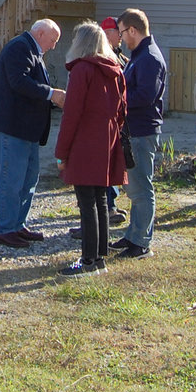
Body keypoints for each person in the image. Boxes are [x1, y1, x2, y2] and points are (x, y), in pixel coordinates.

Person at [0, 18, 66, 249]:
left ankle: (17, 224)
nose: (54, 45)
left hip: (24, 129)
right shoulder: (19, 47)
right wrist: (51, 94)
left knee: (28, 177)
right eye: (53, 39)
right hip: (12, 127)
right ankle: (5, 229)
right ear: (40, 34)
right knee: (12, 178)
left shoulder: (31, 49)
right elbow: (19, 82)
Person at [53, 21, 127, 275]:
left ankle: (88, 260)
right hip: (107, 139)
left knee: (87, 202)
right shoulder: (115, 69)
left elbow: (71, 114)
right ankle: (99, 257)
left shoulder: (82, 70)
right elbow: (122, 111)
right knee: (101, 200)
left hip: (85, 141)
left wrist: (62, 152)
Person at [112, 8, 167, 258]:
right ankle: (133, 234)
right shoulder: (138, 55)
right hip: (133, 130)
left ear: (133, 30)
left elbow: (145, 96)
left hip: (142, 132)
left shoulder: (150, 59)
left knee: (142, 187)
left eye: (122, 32)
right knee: (133, 186)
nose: (121, 38)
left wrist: (115, 98)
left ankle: (142, 242)